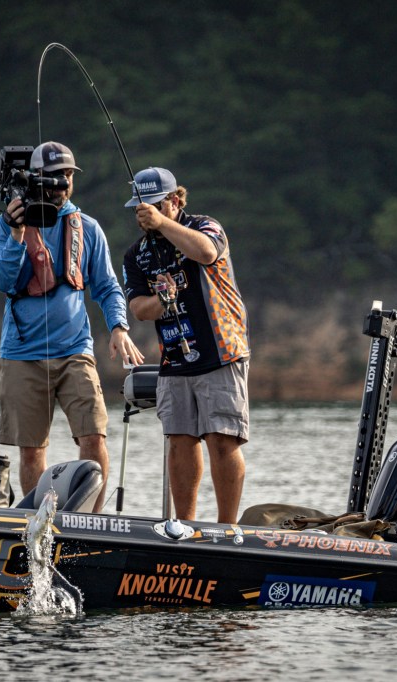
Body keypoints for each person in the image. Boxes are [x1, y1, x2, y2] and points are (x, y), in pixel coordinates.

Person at [0, 141, 143, 513]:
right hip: (22, 354)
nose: (63, 183)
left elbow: (107, 286)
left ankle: (91, 518)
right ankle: (37, 519)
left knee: (94, 436)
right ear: (36, 178)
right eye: (56, 176)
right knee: (32, 449)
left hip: (75, 350)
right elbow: (2, 280)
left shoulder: (87, 227)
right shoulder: (7, 223)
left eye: (69, 175)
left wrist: (118, 327)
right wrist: (16, 234)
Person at [121, 167, 250, 523]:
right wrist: (164, 299)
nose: (145, 214)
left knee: (222, 438)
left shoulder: (205, 226)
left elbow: (206, 253)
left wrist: (163, 223)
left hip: (222, 350)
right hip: (175, 357)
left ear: (175, 200)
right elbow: (140, 310)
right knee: (179, 440)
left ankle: (227, 528)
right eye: (140, 207)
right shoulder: (136, 255)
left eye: (155, 205)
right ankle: (185, 525)